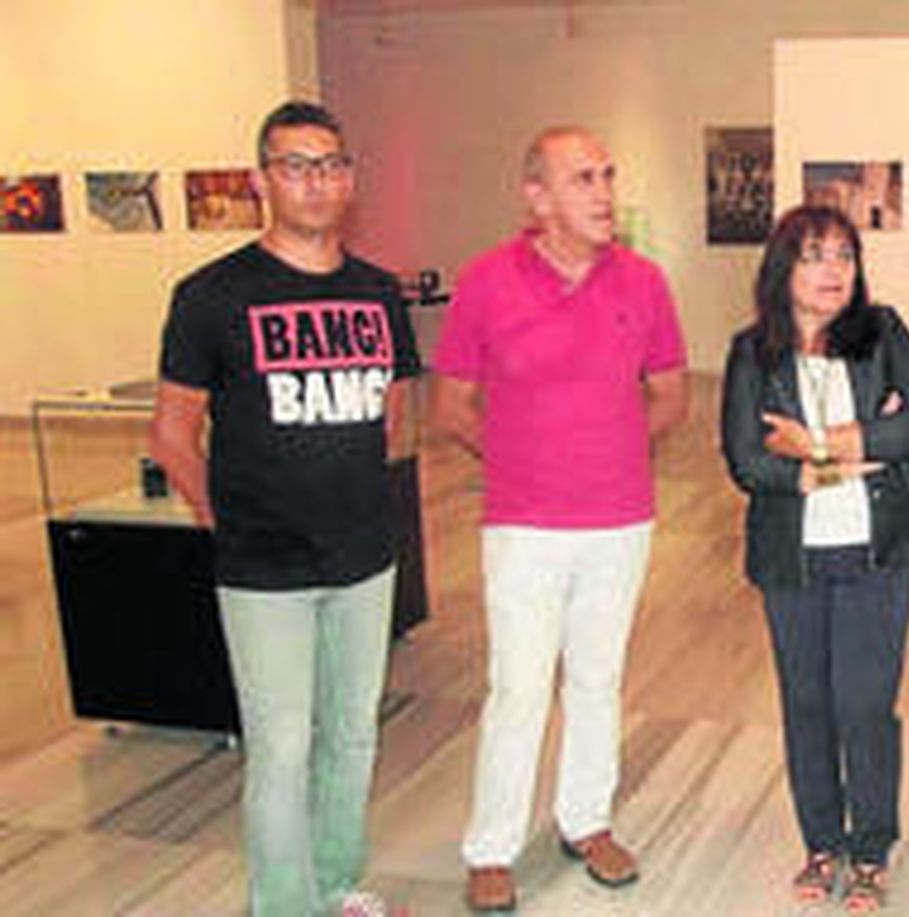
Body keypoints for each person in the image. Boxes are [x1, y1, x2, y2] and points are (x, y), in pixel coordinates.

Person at [149, 101, 419, 917]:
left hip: (364, 557)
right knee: (280, 749)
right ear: (265, 177)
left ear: (350, 178)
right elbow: (172, 432)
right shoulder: (212, 296)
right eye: (297, 164)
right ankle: (284, 906)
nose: (317, 180)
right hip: (262, 567)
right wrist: (222, 520)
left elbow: (394, 413)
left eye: (331, 163)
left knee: (353, 736)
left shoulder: (378, 291)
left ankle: (336, 886)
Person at [431, 126, 688, 912]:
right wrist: (523, 464)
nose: (605, 192)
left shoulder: (643, 281)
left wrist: (608, 458)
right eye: (583, 179)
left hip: (619, 522)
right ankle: (491, 845)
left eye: (608, 175)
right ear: (536, 197)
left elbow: (673, 394)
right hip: (524, 527)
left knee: (598, 680)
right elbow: (450, 406)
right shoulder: (484, 282)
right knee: (517, 685)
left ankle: (588, 821)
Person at [720, 205, 909, 912]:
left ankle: (872, 847)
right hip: (794, 557)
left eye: (844, 257)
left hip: (879, 550)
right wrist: (859, 448)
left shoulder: (882, 332)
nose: (833, 272)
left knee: (865, 703)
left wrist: (817, 445)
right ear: (782, 267)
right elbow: (748, 460)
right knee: (808, 704)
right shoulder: (751, 351)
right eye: (816, 256)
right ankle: (822, 841)